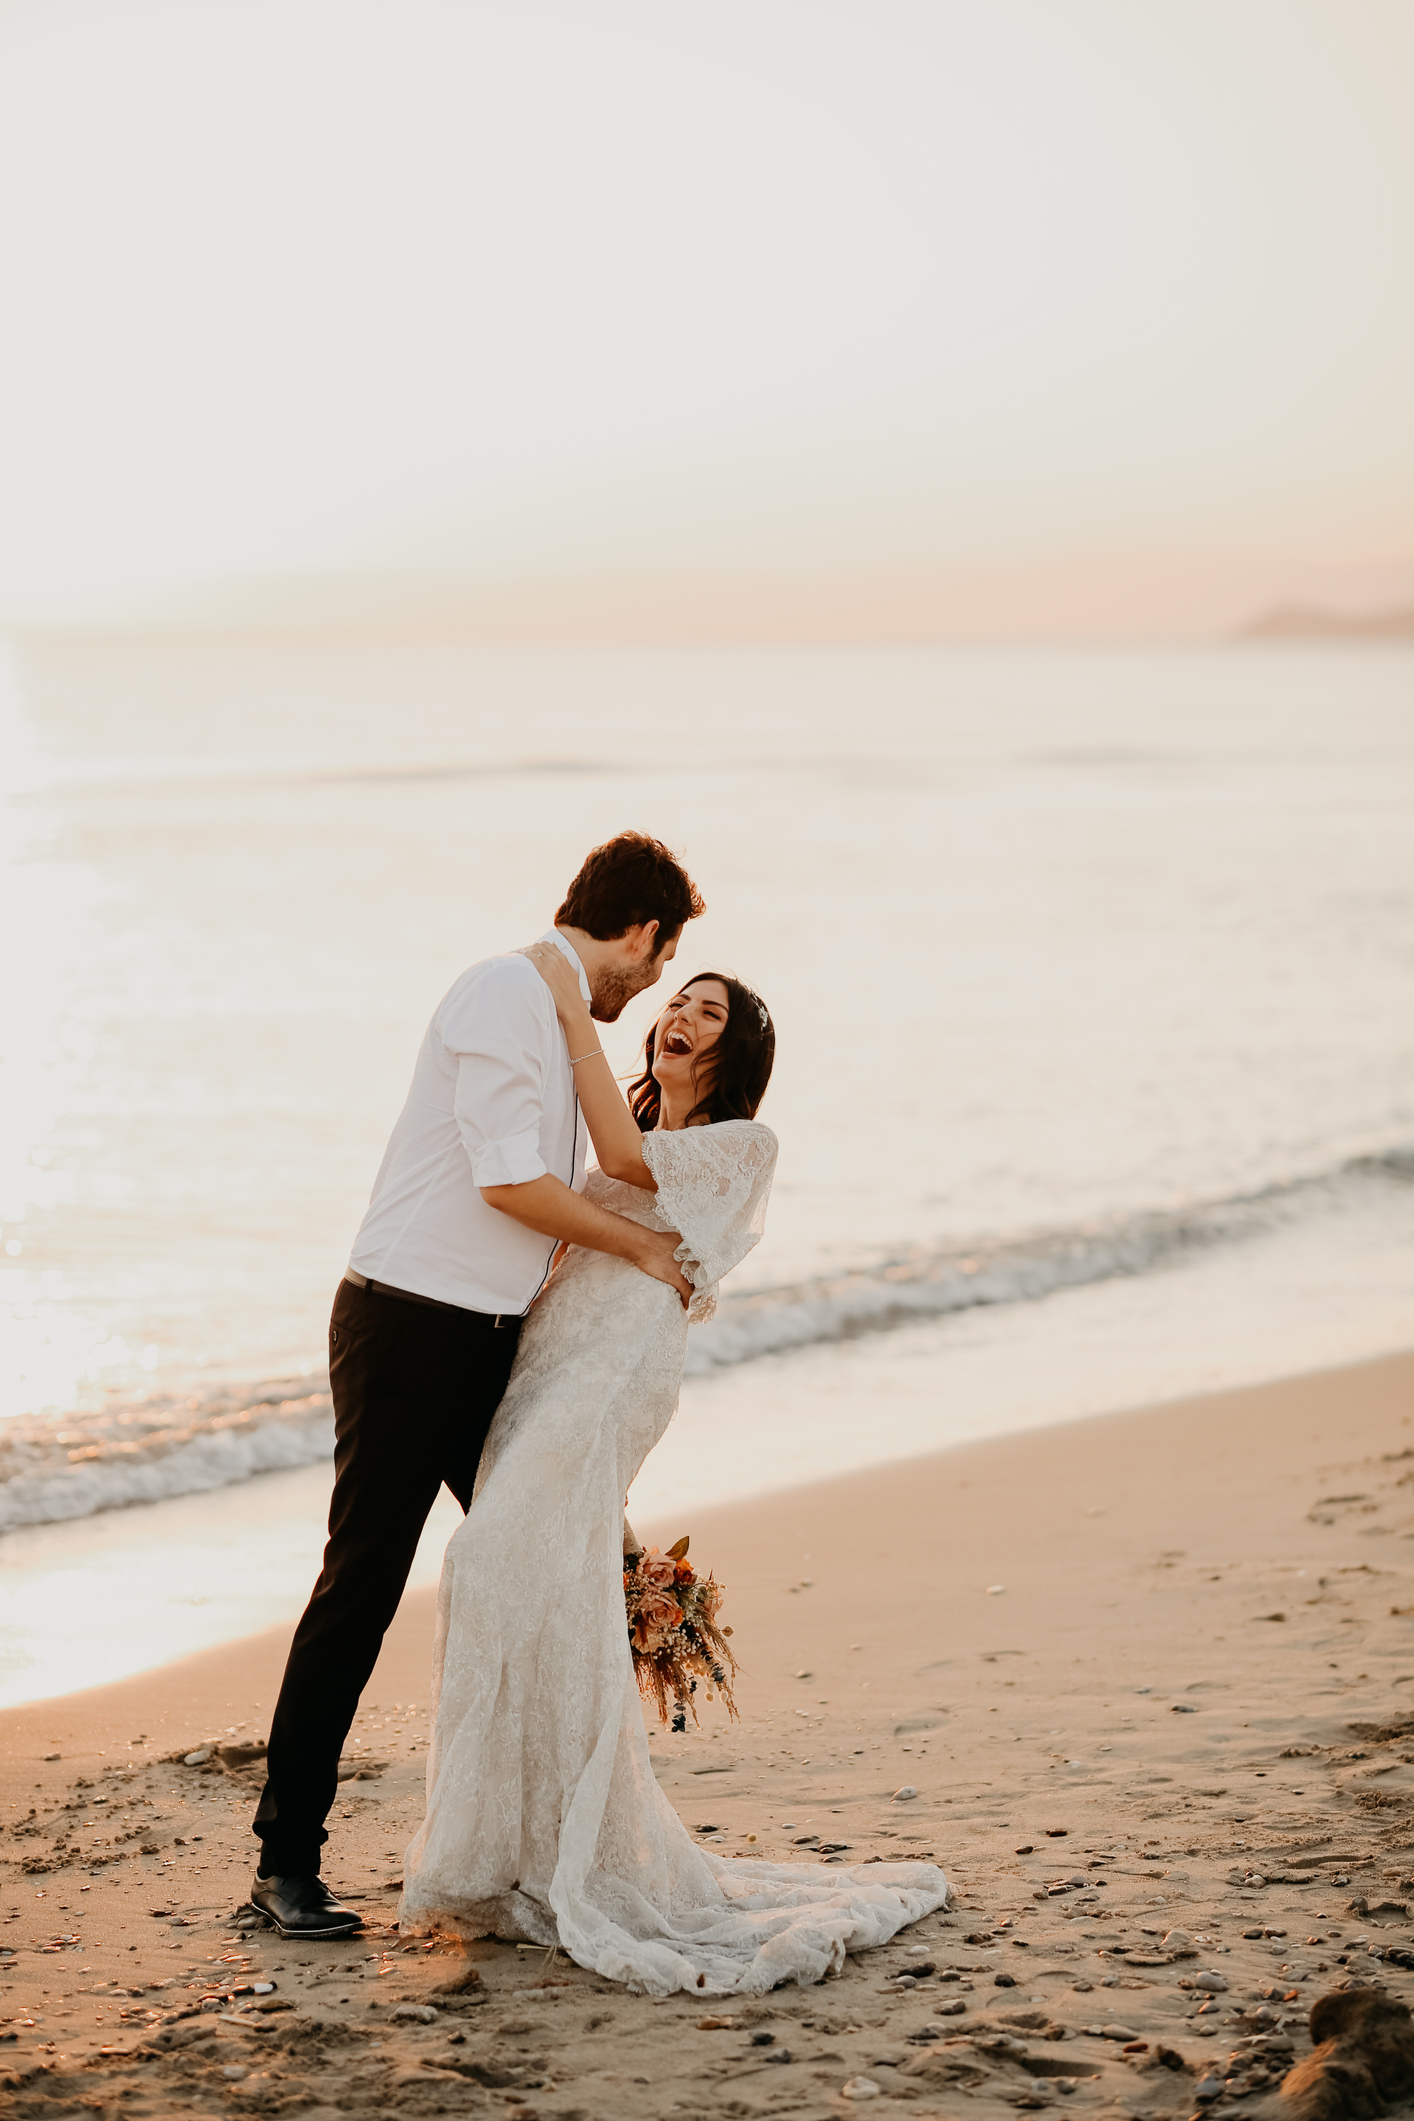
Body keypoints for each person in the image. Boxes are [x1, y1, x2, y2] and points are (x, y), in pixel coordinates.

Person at [399, 948, 948, 1993]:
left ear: (733, 1050)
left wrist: (570, 1010)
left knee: (490, 1557)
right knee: (533, 1585)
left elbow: (616, 1152)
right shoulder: (634, 1120)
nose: (678, 1017)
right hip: (551, 1349)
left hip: (615, 1363)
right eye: (677, 1001)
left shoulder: (741, 1144)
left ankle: (549, 1853)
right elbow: (542, 1186)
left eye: (707, 1011)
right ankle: (507, 1855)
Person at [249, 832, 706, 1938]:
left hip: (488, 1340)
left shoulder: (555, 1018)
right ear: (641, 933)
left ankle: (542, 1841)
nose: (648, 986)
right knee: (362, 1582)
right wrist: (639, 1251)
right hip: (407, 1326)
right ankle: (284, 1864)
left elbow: (596, 1170)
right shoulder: (505, 990)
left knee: (567, 1557)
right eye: (658, 961)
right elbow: (510, 1183)